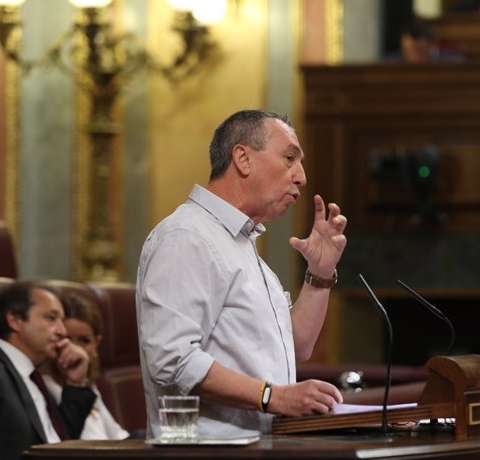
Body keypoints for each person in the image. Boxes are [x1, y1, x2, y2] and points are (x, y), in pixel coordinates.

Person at [136, 109, 348, 439]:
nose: (302, 177)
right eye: (290, 158)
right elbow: (170, 359)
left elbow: (296, 347)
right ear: (243, 158)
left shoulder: (238, 245)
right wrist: (273, 397)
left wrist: (320, 274)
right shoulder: (187, 236)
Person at [0, 280, 96, 460]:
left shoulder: (33, 376)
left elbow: (62, 443)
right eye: (51, 318)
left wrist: (76, 383)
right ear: (15, 320)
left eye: (62, 321)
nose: (62, 331)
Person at [40, 293, 130, 440]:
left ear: (97, 343)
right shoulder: (43, 386)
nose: (75, 349)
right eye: (66, 339)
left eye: (84, 341)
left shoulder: (86, 383)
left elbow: (117, 437)